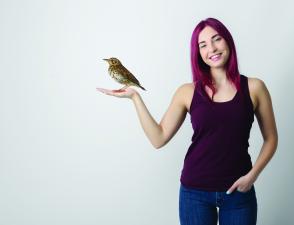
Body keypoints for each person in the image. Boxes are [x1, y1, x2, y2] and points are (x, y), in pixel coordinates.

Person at [97, 17, 278, 225]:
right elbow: (159, 138)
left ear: (227, 41)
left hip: (239, 193)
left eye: (216, 39)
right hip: (195, 193)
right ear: (198, 53)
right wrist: (135, 97)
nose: (212, 48)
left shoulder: (255, 88)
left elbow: (271, 138)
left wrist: (252, 176)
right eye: (203, 45)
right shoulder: (187, 92)